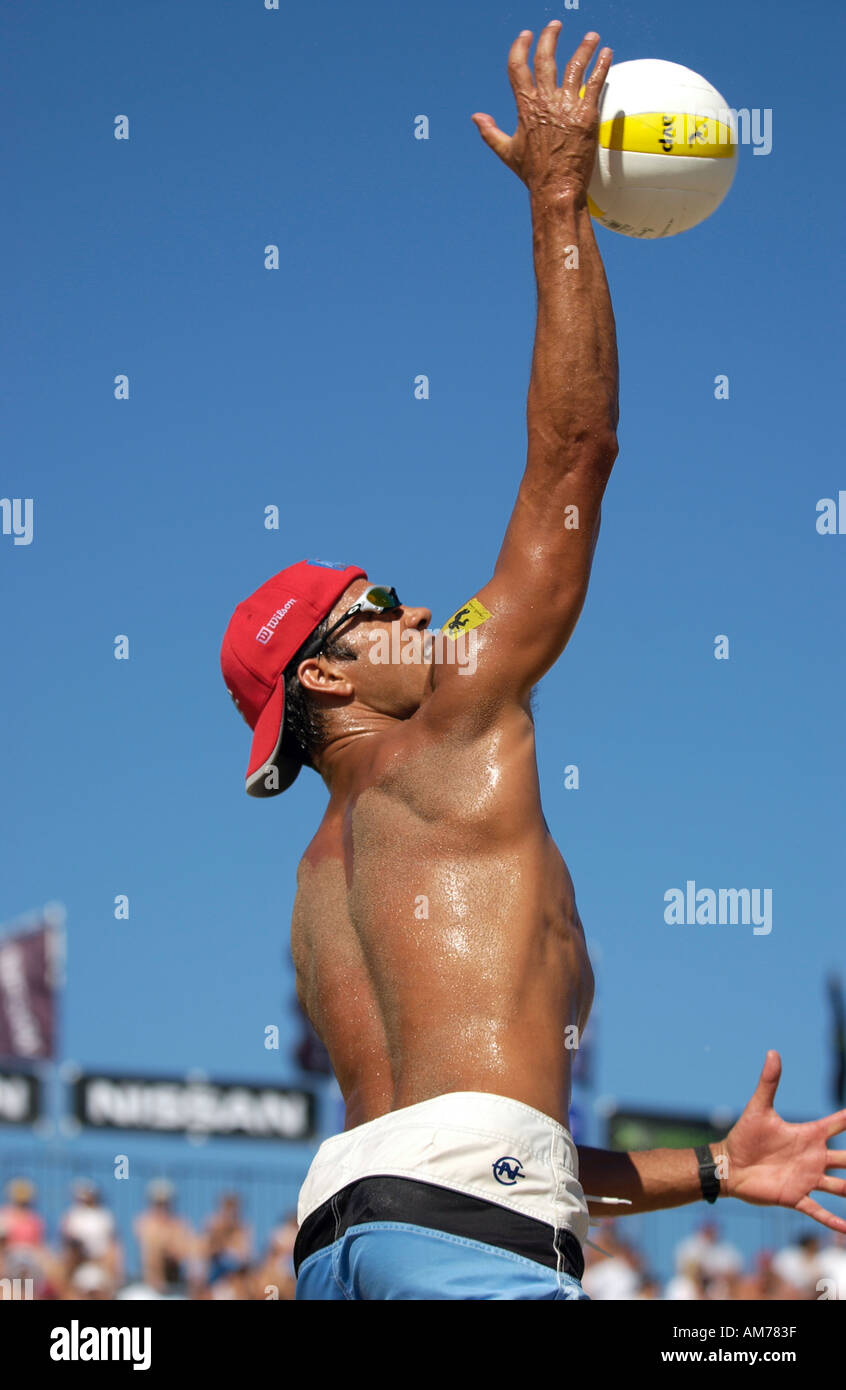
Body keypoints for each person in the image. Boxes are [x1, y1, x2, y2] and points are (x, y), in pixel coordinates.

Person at [221, 22, 846, 1301]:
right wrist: (563, 199)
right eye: (377, 606)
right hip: (460, 1246)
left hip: (345, 1242)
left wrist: (715, 1170)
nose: (417, 613)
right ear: (328, 682)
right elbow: (574, 460)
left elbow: (484, 1144)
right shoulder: (449, 724)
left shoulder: (324, 876)